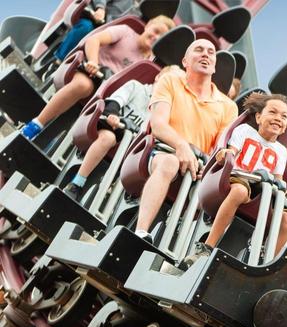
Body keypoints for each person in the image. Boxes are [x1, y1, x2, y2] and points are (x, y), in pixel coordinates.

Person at [134, 38, 238, 239]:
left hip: (200, 166)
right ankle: (141, 231)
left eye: (211, 52)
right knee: (170, 163)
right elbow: (158, 124)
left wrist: (206, 166)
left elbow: (219, 147)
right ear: (185, 61)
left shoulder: (228, 106)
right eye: (198, 50)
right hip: (162, 151)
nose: (205, 54)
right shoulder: (170, 80)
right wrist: (181, 145)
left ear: (214, 67)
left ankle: (188, 244)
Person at [184, 92, 287, 264]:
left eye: (284, 116)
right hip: (237, 181)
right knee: (239, 191)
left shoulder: (281, 151)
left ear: (284, 127)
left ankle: (264, 262)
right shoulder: (245, 131)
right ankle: (207, 247)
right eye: (272, 112)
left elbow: (278, 181)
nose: (278, 118)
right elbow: (231, 152)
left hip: (263, 194)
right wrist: (225, 153)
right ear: (259, 117)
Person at [22, 15, 174, 140]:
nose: (155, 37)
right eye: (155, 30)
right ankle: (36, 124)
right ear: (148, 26)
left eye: (161, 37)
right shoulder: (126, 32)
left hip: (109, 95)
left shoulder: (149, 64)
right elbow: (94, 40)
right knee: (84, 86)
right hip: (92, 73)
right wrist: (93, 62)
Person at [64, 65, 182, 199]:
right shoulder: (136, 87)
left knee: (146, 160)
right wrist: (113, 115)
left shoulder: (164, 112)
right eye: (169, 80)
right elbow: (114, 102)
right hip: (113, 127)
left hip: (134, 146)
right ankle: (77, 183)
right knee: (108, 138)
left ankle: (111, 198)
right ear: (158, 77)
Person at [53, 0, 137, 63]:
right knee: (86, 27)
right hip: (93, 18)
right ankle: (59, 60)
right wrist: (100, 8)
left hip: (111, 34)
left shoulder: (142, 10)